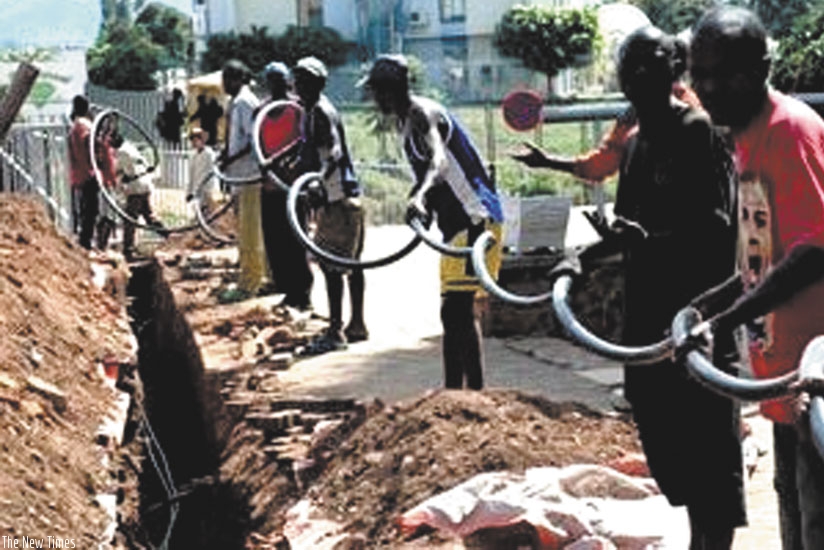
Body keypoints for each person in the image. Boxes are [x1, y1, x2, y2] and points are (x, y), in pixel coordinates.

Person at [690, 7, 824, 549]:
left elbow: (815, 249)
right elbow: (762, 256)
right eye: (700, 74)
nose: (709, 87)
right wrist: (709, 306)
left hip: (816, 376)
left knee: (816, 518)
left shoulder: (789, 131)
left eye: (726, 73)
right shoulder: (745, 136)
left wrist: (726, 320)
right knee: (793, 505)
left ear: (763, 68)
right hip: (783, 376)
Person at [609, 27, 745, 549]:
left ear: (675, 71)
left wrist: (652, 239)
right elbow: (626, 224)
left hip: (696, 324)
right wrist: (580, 258)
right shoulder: (637, 143)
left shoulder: (698, 132)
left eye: (650, 64)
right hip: (645, 328)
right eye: (630, 66)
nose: (637, 76)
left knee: (710, 454)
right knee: (671, 455)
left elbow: (717, 230)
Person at [359, 54, 504, 389]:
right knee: (452, 312)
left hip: (475, 218)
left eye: (376, 92)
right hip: (456, 226)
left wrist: (421, 194)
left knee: (457, 311)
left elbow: (438, 163)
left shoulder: (423, 114)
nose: (373, 100)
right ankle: (453, 393)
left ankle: (474, 395)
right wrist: (418, 195)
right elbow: (430, 172)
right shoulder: (404, 122)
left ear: (390, 90)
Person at [512, 38, 702, 185]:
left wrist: (548, 162)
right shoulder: (639, 112)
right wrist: (548, 161)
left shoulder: (684, 114)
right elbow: (601, 164)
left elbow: (603, 165)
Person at [293, 56, 367, 352]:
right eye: (296, 80)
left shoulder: (321, 111)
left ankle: (336, 333)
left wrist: (318, 182)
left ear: (317, 84)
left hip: (337, 199)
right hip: (343, 196)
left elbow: (334, 152)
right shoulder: (310, 111)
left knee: (332, 265)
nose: (298, 86)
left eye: (303, 81)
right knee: (351, 263)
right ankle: (357, 324)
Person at [258, 61, 314, 309]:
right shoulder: (260, 111)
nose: (276, 84)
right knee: (275, 241)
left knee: (296, 241)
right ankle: (288, 291)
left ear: (287, 81)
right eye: (272, 80)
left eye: (280, 79)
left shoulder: (297, 109)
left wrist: (281, 162)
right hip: (269, 186)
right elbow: (258, 145)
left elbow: (304, 142)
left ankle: (303, 294)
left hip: (292, 188)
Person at [219, 59, 269, 302]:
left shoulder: (244, 103)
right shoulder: (236, 102)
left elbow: (253, 139)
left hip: (250, 176)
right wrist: (226, 154)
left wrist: (230, 157)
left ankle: (250, 283)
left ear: (238, 79)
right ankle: (255, 276)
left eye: (227, 79)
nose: (224, 84)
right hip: (241, 176)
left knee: (250, 234)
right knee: (248, 232)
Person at [114, 134, 167, 261]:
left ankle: (128, 250)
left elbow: (117, 170)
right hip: (144, 185)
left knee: (130, 219)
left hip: (136, 188)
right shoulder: (130, 147)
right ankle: (170, 235)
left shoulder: (122, 152)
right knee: (149, 217)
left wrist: (119, 181)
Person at [67, 95, 98, 250]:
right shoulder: (83, 125)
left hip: (80, 172)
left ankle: (85, 239)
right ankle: (85, 242)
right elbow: (89, 143)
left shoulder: (75, 125)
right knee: (90, 210)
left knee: (86, 208)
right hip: (87, 172)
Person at [186, 127, 219, 212]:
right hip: (196, 191)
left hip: (207, 191)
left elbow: (212, 173)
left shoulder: (209, 154)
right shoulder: (193, 156)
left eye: (195, 140)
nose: (193, 143)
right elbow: (191, 175)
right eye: (192, 140)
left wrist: (209, 192)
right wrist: (189, 192)